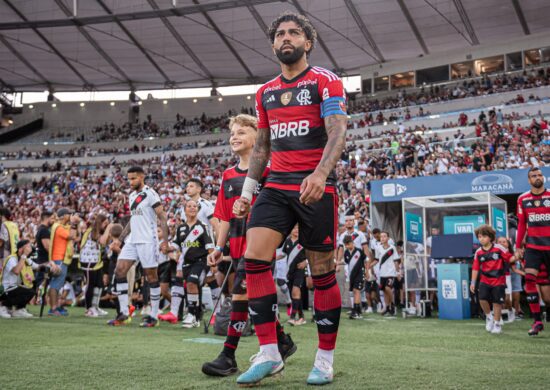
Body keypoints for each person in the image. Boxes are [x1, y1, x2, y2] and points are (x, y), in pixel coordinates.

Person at [232, 11, 348, 386]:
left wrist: (320, 173)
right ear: (272, 44)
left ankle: (325, 360)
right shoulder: (265, 92)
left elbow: (338, 132)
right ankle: (270, 353)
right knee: (254, 259)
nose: (286, 38)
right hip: (277, 186)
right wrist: (249, 192)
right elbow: (262, 148)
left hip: (316, 187)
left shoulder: (325, 82)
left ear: (308, 42)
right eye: (280, 34)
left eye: (294, 32)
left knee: (322, 273)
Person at [201, 114, 296, 377]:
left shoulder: (270, 171)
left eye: (242, 132)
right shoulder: (228, 175)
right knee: (255, 297)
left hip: (262, 245)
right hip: (236, 245)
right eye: (233, 133)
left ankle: (228, 355)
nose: (235, 136)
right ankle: (283, 341)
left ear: (258, 137)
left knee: (241, 296)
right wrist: (218, 248)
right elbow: (222, 215)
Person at [108, 166, 169, 328]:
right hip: (132, 240)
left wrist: (165, 241)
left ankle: (154, 315)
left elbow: (162, 217)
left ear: (142, 177)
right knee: (120, 270)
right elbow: (132, 220)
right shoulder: (132, 195)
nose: (131, 181)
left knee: (151, 276)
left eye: (134, 178)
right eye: (129, 178)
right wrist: (120, 240)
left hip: (148, 240)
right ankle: (124, 313)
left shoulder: (150, 194)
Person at [164, 200, 213, 328]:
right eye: (189, 206)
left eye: (195, 206)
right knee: (189, 286)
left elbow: (209, 246)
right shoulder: (181, 228)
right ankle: (195, 317)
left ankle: (191, 314)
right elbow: (175, 245)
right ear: (184, 210)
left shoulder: (202, 226)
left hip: (201, 261)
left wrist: (213, 262)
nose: (192, 208)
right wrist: (165, 247)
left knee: (191, 282)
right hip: (186, 263)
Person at [515, 167, 550, 336]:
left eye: (539, 175)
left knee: (548, 296)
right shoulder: (522, 199)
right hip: (533, 247)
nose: (537, 177)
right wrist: (517, 247)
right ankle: (537, 321)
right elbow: (522, 224)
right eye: (533, 176)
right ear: (529, 180)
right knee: (529, 280)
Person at [470, 225, 514, 334]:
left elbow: (510, 258)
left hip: (498, 280)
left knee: (496, 303)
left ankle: (497, 324)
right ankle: (489, 317)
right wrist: (473, 282)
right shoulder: (478, 252)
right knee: (482, 299)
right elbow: (475, 268)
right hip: (485, 280)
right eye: (479, 237)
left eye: (484, 236)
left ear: (490, 237)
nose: (481, 239)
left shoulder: (499, 248)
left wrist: (517, 256)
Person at [0, 240, 49, 318]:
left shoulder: (26, 259)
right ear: (20, 249)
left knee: (32, 289)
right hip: (5, 290)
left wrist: (49, 265)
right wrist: (24, 255)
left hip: (15, 288)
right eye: (28, 247)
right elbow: (16, 271)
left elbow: (37, 267)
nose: (30, 249)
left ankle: (19, 309)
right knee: (27, 290)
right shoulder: (12, 259)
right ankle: (2, 306)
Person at [48, 208, 81, 316]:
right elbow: (71, 235)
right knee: (55, 284)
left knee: (58, 284)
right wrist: (73, 223)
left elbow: (76, 237)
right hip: (59, 259)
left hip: (62, 259)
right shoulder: (58, 227)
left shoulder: (62, 227)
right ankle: (53, 308)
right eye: (69, 214)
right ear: (62, 216)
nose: (71, 215)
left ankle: (56, 306)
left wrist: (75, 224)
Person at [79, 214, 112, 317]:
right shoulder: (91, 231)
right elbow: (102, 242)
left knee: (99, 285)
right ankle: (88, 309)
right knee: (90, 285)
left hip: (96, 262)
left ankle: (95, 307)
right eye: (105, 224)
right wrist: (109, 229)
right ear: (100, 223)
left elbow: (105, 243)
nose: (106, 226)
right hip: (88, 262)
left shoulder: (99, 231)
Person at [370, 231, 400, 316]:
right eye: (381, 236)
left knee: (387, 288)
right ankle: (387, 307)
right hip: (382, 273)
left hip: (391, 273)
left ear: (388, 238)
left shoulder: (392, 248)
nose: (382, 238)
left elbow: (396, 261)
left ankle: (393, 305)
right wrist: (370, 265)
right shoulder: (378, 248)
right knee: (384, 291)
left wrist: (397, 272)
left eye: (384, 236)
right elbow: (376, 260)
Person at [284, 225, 308, 326]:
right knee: (294, 295)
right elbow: (283, 254)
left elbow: (311, 254)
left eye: (298, 228)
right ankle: (301, 317)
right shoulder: (287, 241)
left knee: (295, 291)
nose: (296, 230)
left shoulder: (304, 241)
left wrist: (305, 262)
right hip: (290, 271)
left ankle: (293, 317)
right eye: (294, 228)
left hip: (300, 270)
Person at [33, 211, 59, 300]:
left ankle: (35, 299)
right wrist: (52, 261)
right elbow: (48, 247)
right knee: (40, 282)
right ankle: (34, 299)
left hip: (43, 260)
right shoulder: (44, 230)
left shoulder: (42, 229)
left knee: (40, 282)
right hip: (44, 261)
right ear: (47, 218)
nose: (54, 220)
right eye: (52, 218)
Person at [343, 235, 367, 319]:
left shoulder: (359, 251)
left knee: (356, 290)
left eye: (348, 244)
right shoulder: (346, 252)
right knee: (354, 291)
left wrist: (367, 272)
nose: (347, 246)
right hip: (351, 275)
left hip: (360, 274)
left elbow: (366, 261)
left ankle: (355, 311)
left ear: (352, 243)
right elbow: (347, 263)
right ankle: (358, 310)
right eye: (345, 245)